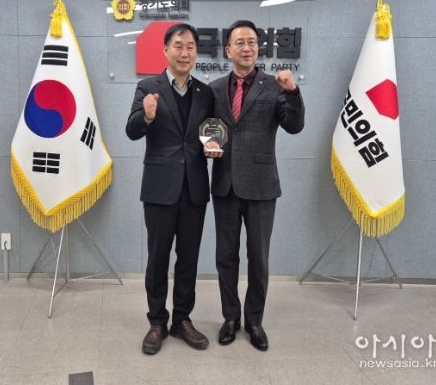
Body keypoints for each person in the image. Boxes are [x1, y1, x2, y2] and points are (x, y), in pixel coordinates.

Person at [208, 20, 305, 351]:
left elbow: (294, 125)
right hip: (224, 184)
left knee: (258, 258)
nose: (246, 47)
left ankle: (254, 321)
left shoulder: (274, 86)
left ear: (258, 48)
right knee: (225, 257)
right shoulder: (215, 88)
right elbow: (208, 128)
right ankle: (230, 319)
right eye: (240, 42)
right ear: (228, 50)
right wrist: (208, 145)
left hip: (262, 186)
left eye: (251, 42)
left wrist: (292, 92)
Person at [126, 23, 212, 355]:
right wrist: (147, 116)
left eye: (190, 46)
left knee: (188, 259)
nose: (184, 52)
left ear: (196, 52)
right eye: (178, 46)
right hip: (160, 188)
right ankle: (157, 322)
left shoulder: (205, 92)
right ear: (165, 50)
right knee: (158, 258)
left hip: (194, 189)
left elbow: (212, 133)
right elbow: (132, 129)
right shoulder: (148, 86)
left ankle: (182, 320)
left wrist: (214, 146)